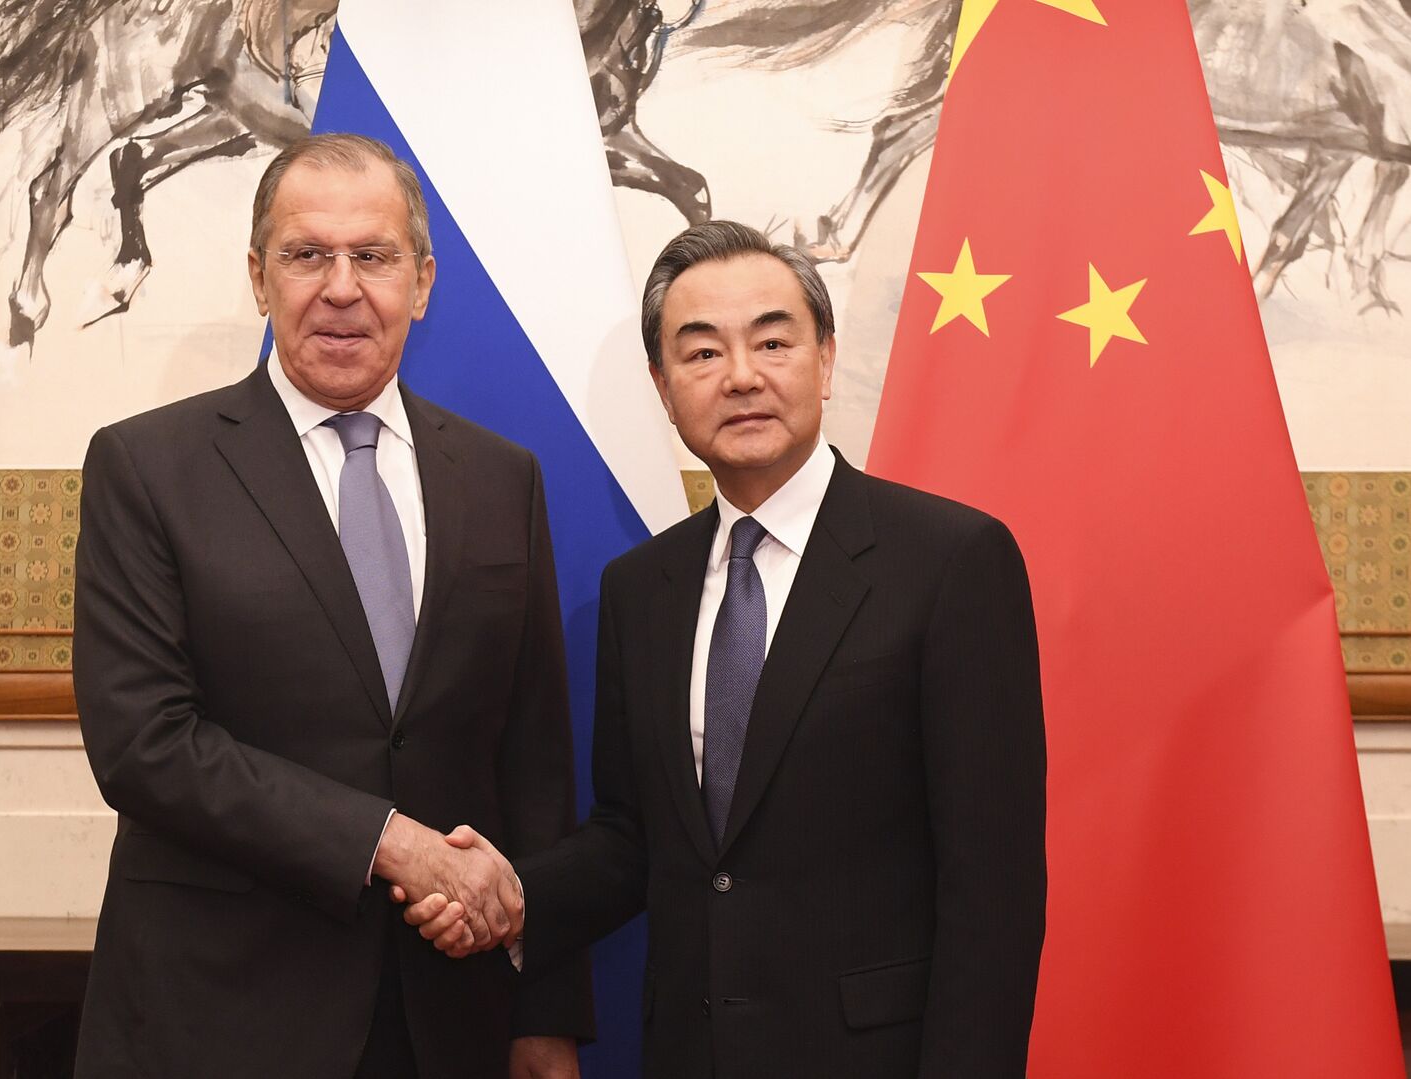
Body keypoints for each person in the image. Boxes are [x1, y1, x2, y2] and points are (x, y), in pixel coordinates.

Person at [403, 220, 1046, 1076]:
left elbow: (993, 889)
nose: (741, 375)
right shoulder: (642, 589)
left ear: (825, 358)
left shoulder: (951, 561)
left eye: (773, 341)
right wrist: (514, 893)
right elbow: (636, 839)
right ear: (663, 389)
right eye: (702, 352)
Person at [71, 133, 588, 1079]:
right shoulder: (147, 467)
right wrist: (388, 842)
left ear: (421, 283)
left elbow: (535, 759)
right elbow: (144, 745)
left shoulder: (500, 477)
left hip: (449, 1018)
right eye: (307, 254)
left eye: (374, 256)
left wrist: (545, 1012)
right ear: (259, 279)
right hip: (221, 1018)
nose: (341, 288)